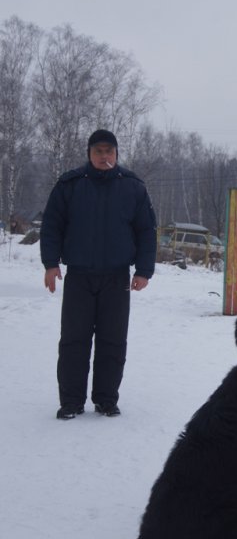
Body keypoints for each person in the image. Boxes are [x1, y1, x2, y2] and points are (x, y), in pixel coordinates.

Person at [40, 129, 157, 420]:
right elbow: (52, 225)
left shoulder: (132, 187)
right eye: (98, 151)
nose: (104, 156)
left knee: (113, 341)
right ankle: (71, 401)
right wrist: (51, 264)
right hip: (79, 276)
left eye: (109, 151)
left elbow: (146, 231)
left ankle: (106, 400)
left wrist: (144, 270)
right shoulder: (70, 185)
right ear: (89, 154)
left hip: (116, 278)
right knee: (73, 341)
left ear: (116, 154)